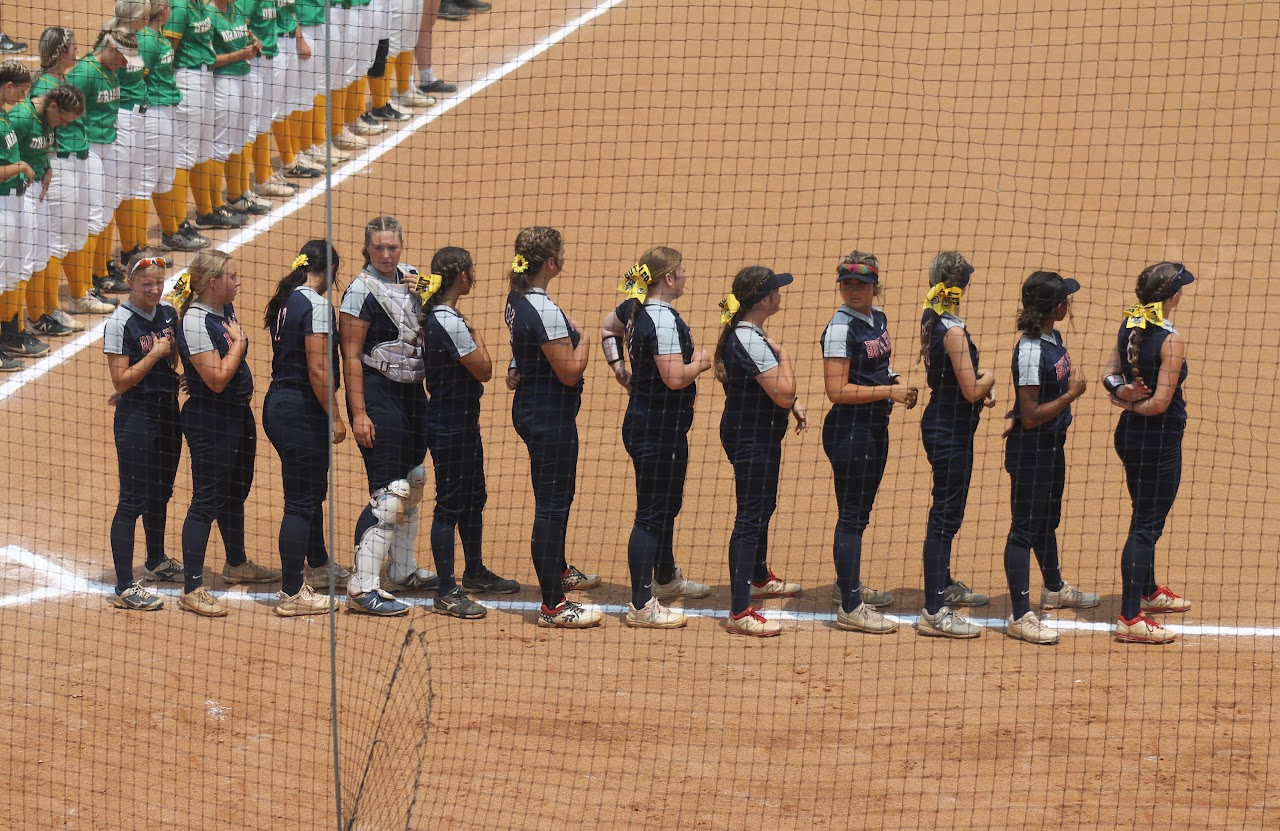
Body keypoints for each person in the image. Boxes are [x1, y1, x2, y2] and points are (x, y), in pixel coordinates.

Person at [600, 247, 713, 629]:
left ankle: (663, 577)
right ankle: (640, 603)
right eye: (681, 271)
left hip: (654, 423)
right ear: (667, 279)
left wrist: (619, 368)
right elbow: (675, 377)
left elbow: (606, 330)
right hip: (657, 429)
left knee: (667, 505)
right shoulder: (660, 320)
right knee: (650, 513)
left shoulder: (635, 308)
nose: (685, 276)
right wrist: (702, 361)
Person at [504, 226, 603, 628]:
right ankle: (552, 605)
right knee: (552, 505)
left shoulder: (518, 297)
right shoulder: (543, 309)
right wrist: (587, 341)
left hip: (534, 409)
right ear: (551, 263)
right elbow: (568, 371)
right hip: (548, 417)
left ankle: (559, 571)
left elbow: (526, 346)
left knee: (555, 499)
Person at [339, 215, 438, 616]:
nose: (385, 254)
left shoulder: (416, 279)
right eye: (378, 248)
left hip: (414, 393)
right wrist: (359, 413)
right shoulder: (358, 292)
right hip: (378, 393)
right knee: (389, 492)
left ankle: (403, 567)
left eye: (392, 247)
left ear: (402, 246)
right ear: (367, 249)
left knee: (414, 480)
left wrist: (430, 294)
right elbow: (350, 356)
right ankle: (363, 588)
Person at [173, 249, 280, 617]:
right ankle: (192, 588)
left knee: (235, 492)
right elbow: (217, 379)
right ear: (213, 283)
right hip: (211, 419)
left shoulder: (223, 309)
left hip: (236, 415)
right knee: (207, 500)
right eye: (232, 277)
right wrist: (240, 344)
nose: (239, 283)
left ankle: (236, 562)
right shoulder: (194, 320)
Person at [418, 246, 520, 619]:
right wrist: (478, 334)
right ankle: (446, 591)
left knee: (474, 494)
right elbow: (486, 369)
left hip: (460, 418)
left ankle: (474, 571)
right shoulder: (449, 321)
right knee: (450, 503)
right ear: (462, 276)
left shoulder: (444, 316)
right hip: (450, 422)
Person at [819, 252, 916, 634]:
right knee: (852, 516)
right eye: (847, 284)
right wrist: (888, 392)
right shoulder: (841, 328)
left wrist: (893, 380)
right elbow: (835, 390)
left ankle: (849, 587)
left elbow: (876, 367)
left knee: (859, 514)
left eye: (860, 284)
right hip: (850, 430)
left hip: (873, 427)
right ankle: (851, 606)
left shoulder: (878, 319)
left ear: (875, 286)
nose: (853, 290)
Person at [1002, 271, 1099, 645]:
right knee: (1023, 528)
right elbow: (1029, 414)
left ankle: (1054, 588)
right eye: (1065, 300)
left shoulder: (1052, 337)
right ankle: (1020, 614)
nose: (1068, 305)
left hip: (1050, 445)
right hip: (1033, 450)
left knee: (1046, 520)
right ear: (1056, 308)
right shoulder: (1030, 351)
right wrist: (1073, 394)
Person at [1103, 261, 1195, 644]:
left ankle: (1148, 590)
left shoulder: (1131, 324)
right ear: (1172, 297)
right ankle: (1130, 618)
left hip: (1130, 439)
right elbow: (1159, 403)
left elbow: (1109, 377)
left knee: (1143, 515)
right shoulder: (1170, 339)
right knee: (1146, 526)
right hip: (1158, 442)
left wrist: (1123, 396)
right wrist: (1132, 403)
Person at [714, 265, 808, 637]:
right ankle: (739, 610)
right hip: (750, 437)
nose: (780, 295)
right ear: (765, 300)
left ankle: (757, 575)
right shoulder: (751, 339)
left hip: (755, 432)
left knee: (763, 505)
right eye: (776, 290)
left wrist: (794, 401)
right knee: (750, 516)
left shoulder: (749, 333)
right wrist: (784, 357)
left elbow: (780, 394)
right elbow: (781, 392)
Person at [261, 241, 348, 616]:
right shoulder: (316, 305)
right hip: (301, 409)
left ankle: (319, 562)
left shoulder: (285, 299)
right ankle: (293, 593)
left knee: (310, 491)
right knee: (300, 501)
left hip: (280, 404)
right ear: (328, 270)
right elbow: (317, 369)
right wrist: (335, 415)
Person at [914, 251, 994, 639]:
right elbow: (971, 386)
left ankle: (942, 584)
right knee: (945, 515)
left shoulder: (933, 316)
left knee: (949, 510)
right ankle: (934, 609)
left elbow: (955, 380)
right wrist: (988, 380)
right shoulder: (953, 330)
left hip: (946, 419)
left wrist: (976, 390)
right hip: (950, 429)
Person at [103, 251, 184, 610]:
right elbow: (120, 382)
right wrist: (154, 355)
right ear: (130, 282)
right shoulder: (120, 323)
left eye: (158, 283)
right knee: (132, 500)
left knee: (161, 492)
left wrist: (173, 370)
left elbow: (173, 355)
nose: (154, 289)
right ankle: (123, 586)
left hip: (169, 414)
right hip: (137, 418)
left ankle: (155, 560)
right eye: (146, 284)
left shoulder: (168, 313)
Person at [33, 26, 114, 321]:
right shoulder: (43, 86)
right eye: (72, 47)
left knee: (79, 232)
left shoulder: (64, 79)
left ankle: (80, 295)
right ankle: (49, 310)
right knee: (57, 237)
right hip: (60, 162)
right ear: (58, 52)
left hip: (80, 157)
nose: (77, 51)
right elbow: (39, 129)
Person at [10, 83, 86, 341]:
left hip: (38, 189)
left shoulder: (47, 119)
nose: (63, 125)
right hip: (19, 193)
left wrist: (47, 166)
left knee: (41, 254)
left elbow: (42, 149)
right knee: (21, 261)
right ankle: (15, 328)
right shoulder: (20, 118)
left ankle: (37, 317)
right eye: (62, 119)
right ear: (53, 105)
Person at [0, 60, 41, 366]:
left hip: (14, 202)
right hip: (2, 204)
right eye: (23, 90)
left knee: (12, 272)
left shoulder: (4, 113)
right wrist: (22, 167)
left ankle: (10, 334)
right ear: (9, 86)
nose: (26, 96)